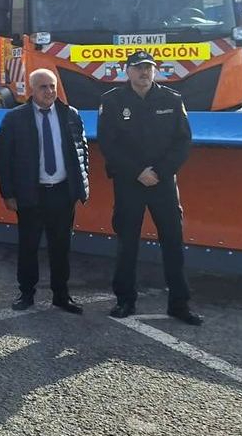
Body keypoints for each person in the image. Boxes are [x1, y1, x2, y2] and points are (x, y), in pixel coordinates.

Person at [97, 50, 202, 325]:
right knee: (127, 243)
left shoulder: (172, 99)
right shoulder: (112, 101)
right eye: (138, 68)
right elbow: (108, 144)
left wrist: (159, 172)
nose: (144, 72)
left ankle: (179, 304)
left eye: (149, 68)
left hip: (163, 183)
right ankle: (124, 300)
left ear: (155, 71)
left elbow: (182, 142)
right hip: (129, 183)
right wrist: (137, 172)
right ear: (127, 70)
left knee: (173, 243)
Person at [0, 69, 89, 314]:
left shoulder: (70, 115)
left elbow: (81, 152)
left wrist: (81, 186)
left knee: (61, 247)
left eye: (52, 86)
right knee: (28, 246)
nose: (49, 92)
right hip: (30, 193)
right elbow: (3, 158)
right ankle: (26, 293)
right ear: (32, 90)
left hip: (62, 193)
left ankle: (61, 295)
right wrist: (8, 193)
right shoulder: (15, 118)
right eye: (43, 87)